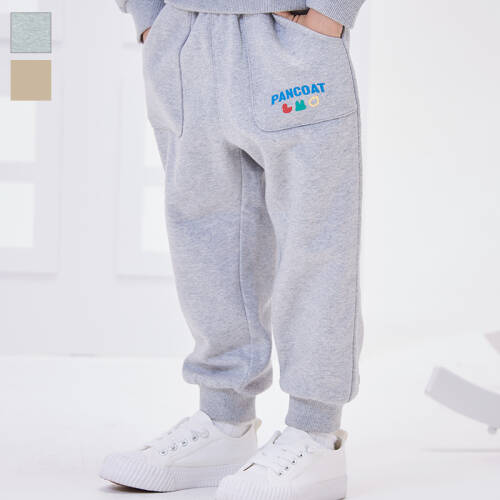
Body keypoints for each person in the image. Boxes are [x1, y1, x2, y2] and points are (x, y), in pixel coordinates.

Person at [101, 1, 366, 498]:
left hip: (290, 35)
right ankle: (224, 422)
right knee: (205, 239)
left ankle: (315, 434)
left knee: (314, 243)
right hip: (184, 34)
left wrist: (331, 12)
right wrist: (148, 17)